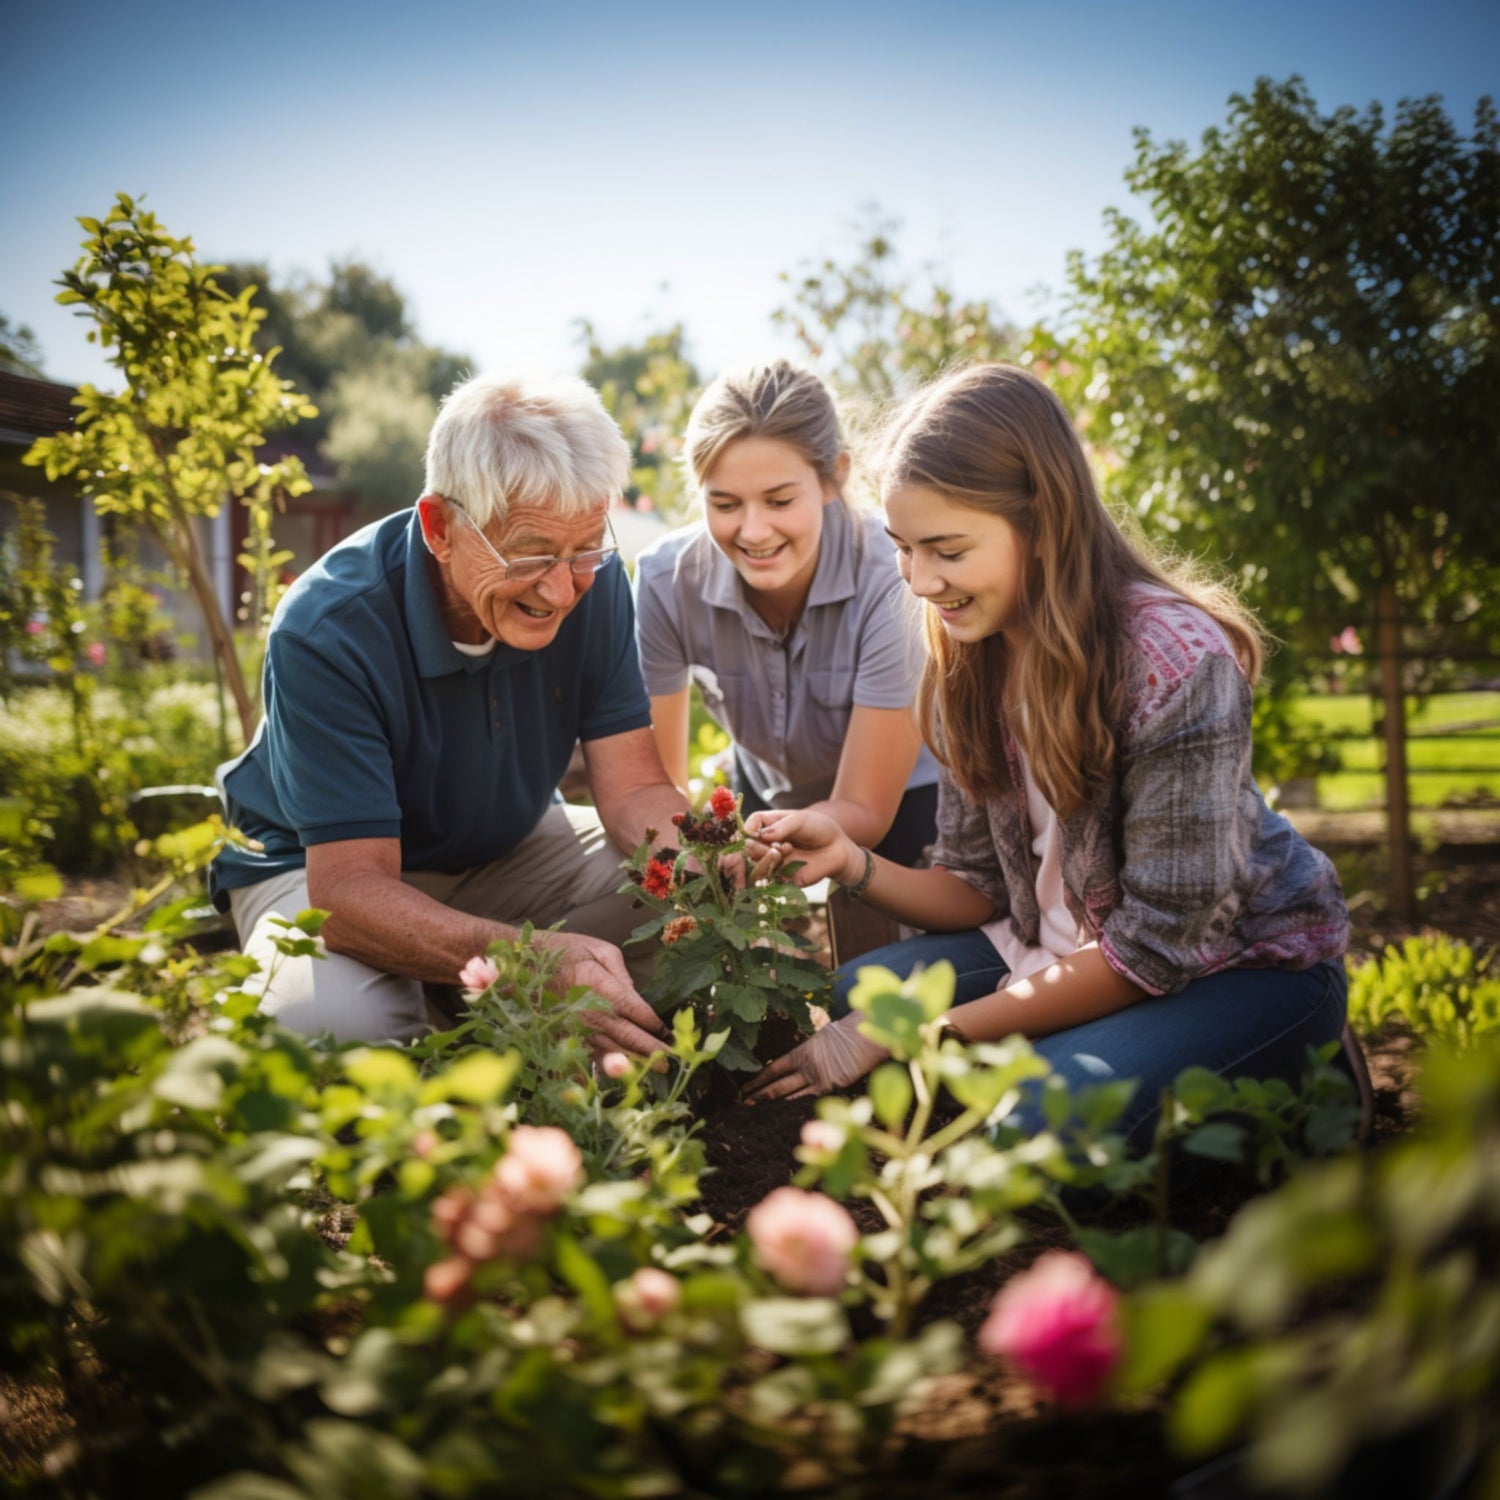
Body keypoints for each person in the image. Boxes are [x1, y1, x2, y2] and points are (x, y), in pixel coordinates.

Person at [742, 364, 1350, 1148]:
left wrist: (925, 1038)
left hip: (1235, 972)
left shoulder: (1172, 664)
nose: (922, 581)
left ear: (1044, 523)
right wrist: (852, 862)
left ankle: (1302, 1080)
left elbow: (1157, 948)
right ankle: (1061, 1062)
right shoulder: (971, 651)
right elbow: (975, 887)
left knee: (1038, 1132)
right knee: (862, 991)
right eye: (904, 550)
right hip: (1058, 948)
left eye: (947, 550)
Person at [209, 374, 685, 1056]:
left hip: (501, 850)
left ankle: (456, 991)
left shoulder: (593, 580)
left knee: (670, 895)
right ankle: (429, 999)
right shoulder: (327, 629)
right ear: (440, 527)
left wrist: (706, 866)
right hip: (321, 871)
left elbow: (637, 791)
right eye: (531, 553)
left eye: (584, 549)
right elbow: (347, 892)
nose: (562, 588)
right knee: (338, 1032)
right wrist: (531, 959)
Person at [633, 361, 938, 865]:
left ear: (832, 478)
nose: (753, 531)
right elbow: (660, 784)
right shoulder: (666, 580)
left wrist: (754, 847)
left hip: (909, 798)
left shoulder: (893, 579)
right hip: (767, 793)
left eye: (779, 501)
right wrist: (698, 857)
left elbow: (865, 806)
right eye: (726, 505)